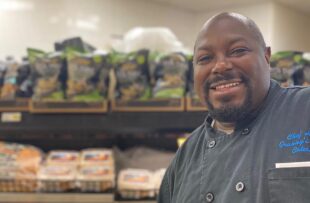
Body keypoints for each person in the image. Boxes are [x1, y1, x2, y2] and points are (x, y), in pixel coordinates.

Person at [158, 12, 310, 203]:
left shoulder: (305, 111)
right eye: (205, 58)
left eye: (238, 51)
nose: (220, 66)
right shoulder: (185, 157)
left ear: (266, 56)